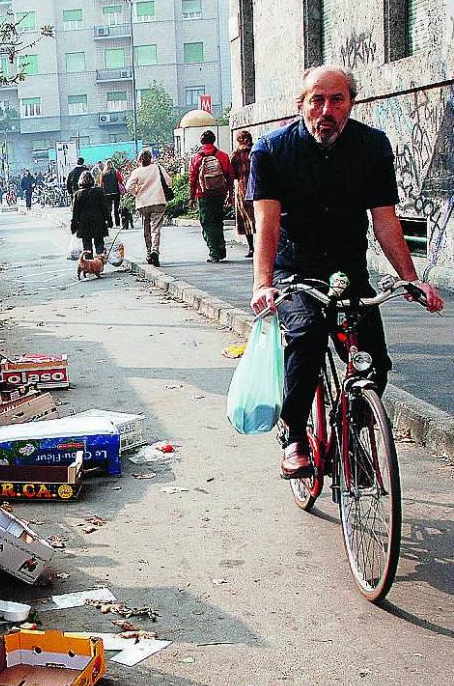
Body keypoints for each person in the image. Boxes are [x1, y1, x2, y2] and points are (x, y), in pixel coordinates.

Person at [248, 65, 443, 478]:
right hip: (295, 271)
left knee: (375, 363)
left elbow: (385, 221)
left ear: (351, 103)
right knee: (307, 337)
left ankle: (348, 433)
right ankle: (295, 433)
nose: (327, 109)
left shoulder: (371, 146)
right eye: (316, 100)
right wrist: (263, 284)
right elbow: (267, 223)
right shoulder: (272, 151)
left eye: (337, 100)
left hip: (348, 268)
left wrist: (410, 278)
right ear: (301, 105)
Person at [189, 129, 234, 262]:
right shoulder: (223, 156)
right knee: (218, 220)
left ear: (201, 141)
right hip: (220, 192)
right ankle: (221, 248)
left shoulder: (196, 157)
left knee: (207, 222)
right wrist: (230, 195)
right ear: (214, 140)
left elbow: (192, 179)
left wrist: (191, 197)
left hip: (203, 194)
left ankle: (214, 251)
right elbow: (230, 176)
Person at [125, 149, 169, 266]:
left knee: (146, 229)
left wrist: (137, 192)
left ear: (140, 160)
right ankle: (155, 250)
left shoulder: (137, 172)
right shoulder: (158, 168)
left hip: (143, 203)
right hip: (158, 201)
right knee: (156, 229)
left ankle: (149, 253)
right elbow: (169, 182)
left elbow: (128, 187)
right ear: (151, 158)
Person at [70, 172, 109, 259]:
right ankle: (99, 263)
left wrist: (74, 225)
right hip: (98, 220)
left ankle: (89, 264)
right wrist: (108, 219)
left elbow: (75, 212)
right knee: (99, 243)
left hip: (84, 222)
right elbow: (104, 207)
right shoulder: (99, 191)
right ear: (92, 180)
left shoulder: (78, 194)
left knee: (87, 245)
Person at [231, 129, 256, 257]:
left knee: (246, 219)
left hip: (243, 187)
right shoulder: (257, 150)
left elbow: (233, 174)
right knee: (259, 217)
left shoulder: (236, 154)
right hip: (259, 185)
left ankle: (252, 248)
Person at [101, 161, 124, 227]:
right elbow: (120, 180)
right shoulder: (116, 171)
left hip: (107, 193)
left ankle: (109, 223)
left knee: (109, 209)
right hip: (116, 192)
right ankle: (117, 223)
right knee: (116, 208)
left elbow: (101, 183)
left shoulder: (103, 173)